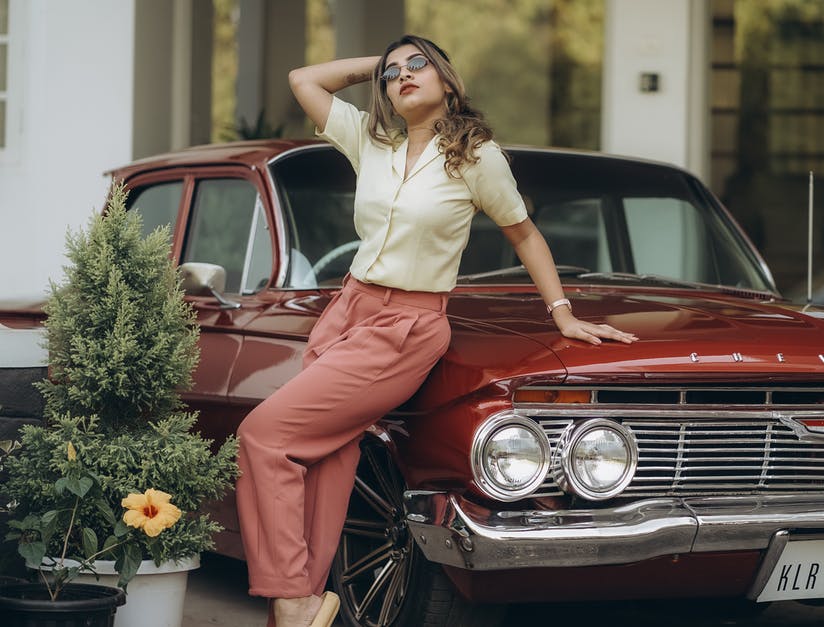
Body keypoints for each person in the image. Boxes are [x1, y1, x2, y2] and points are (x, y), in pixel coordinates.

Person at [235, 34, 638, 627]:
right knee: (327, 455)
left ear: (448, 80)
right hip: (347, 313)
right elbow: (304, 79)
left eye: (417, 64)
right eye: (392, 73)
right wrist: (378, 66)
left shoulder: (476, 158)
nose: (402, 76)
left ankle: (290, 597)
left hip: (408, 325)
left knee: (263, 437)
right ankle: (301, 605)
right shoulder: (372, 143)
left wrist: (563, 314)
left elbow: (524, 234)